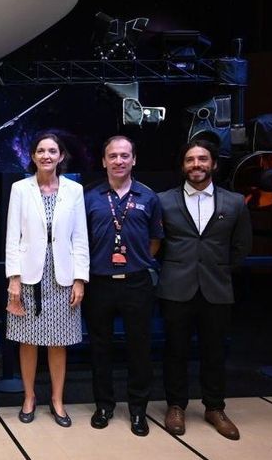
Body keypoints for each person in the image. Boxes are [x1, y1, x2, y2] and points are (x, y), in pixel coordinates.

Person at [157, 139, 252, 441]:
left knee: (214, 351)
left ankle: (215, 407)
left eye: (202, 159)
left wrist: (220, 270)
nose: (196, 165)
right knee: (175, 351)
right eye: (190, 160)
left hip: (216, 288)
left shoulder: (235, 202)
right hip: (176, 287)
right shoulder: (163, 201)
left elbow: (241, 247)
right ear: (182, 165)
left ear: (213, 164)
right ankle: (175, 406)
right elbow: (156, 244)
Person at [5, 132, 89, 428]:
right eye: (40, 150)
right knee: (27, 341)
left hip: (62, 275)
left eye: (52, 151)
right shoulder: (20, 189)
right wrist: (13, 278)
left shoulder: (74, 190)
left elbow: (80, 238)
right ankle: (29, 397)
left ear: (61, 156)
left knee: (58, 342)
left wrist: (80, 279)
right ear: (32, 156)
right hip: (28, 275)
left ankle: (57, 399)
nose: (46, 156)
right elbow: (12, 236)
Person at [82, 136, 163, 437]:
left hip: (136, 283)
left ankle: (138, 410)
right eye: (112, 156)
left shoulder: (149, 197)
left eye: (124, 155)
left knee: (139, 348)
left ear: (134, 160)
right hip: (99, 283)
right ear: (103, 161)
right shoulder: (89, 197)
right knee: (100, 347)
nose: (118, 161)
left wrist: (134, 263)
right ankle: (104, 406)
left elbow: (154, 241)